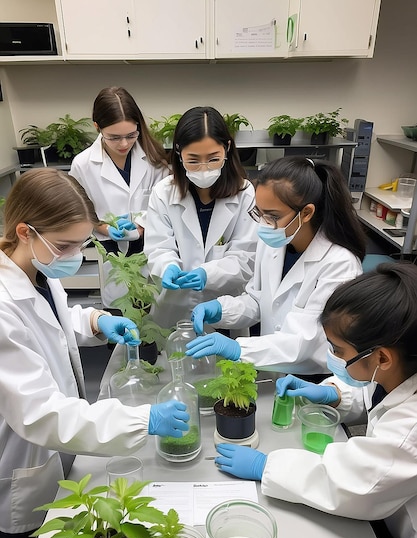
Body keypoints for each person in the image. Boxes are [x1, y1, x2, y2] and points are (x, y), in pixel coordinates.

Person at [0, 169, 189, 538]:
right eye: (65, 245)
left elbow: (50, 318)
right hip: (23, 460)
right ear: (25, 231)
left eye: (81, 243)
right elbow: (41, 413)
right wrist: (143, 420)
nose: (74, 254)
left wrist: (95, 320)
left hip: (57, 447)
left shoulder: (36, 271)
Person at [213, 263, 417, 538]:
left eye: (338, 351)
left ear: (382, 356)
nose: (333, 358)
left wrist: (267, 466)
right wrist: (334, 396)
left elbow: (354, 483)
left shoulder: (411, 429)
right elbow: (376, 393)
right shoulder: (400, 368)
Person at [186, 156, 366, 378]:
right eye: (259, 213)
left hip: (314, 378)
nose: (264, 224)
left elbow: (305, 341)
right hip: (274, 366)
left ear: (307, 213)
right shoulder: (274, 242)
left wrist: (238, 348)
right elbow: (258, 300)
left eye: (273, 216)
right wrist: (221, 310)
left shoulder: (339, 264)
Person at [143, 105, 258, 329]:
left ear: (227, 148)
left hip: (225, 309)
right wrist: (167, 268)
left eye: (213, 159)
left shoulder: (245, 193)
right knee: (173, 359)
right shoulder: (164, 192)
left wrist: (208, 274)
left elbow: (246, 257)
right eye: (193, 160)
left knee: (224, 361)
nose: (204, 168)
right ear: (178, 152)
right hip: (173, 308)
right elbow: (158, 248)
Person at [70, 86, 169, 307]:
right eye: (114, 137)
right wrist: (105, 228)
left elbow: (165, 206)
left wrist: (140, 227)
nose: (124, 144)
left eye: (131, 135)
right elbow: (80, 211)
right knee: (122, 316)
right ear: (97, 127)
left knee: (155, 318)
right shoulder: (83, 164)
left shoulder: (155, 159)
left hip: (152, 247)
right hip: (111, 252)